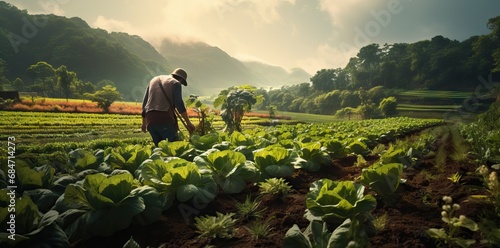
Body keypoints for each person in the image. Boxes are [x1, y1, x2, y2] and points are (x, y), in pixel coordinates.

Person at [141, 68, 196, 146]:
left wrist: (144, 123)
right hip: (164, 120)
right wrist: (188, 122)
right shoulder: (175, 83)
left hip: (150, 121)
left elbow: (144, 104)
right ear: (180, 79)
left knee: (160, 150)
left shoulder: (153, 80)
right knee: (172, 149)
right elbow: (179, 104)